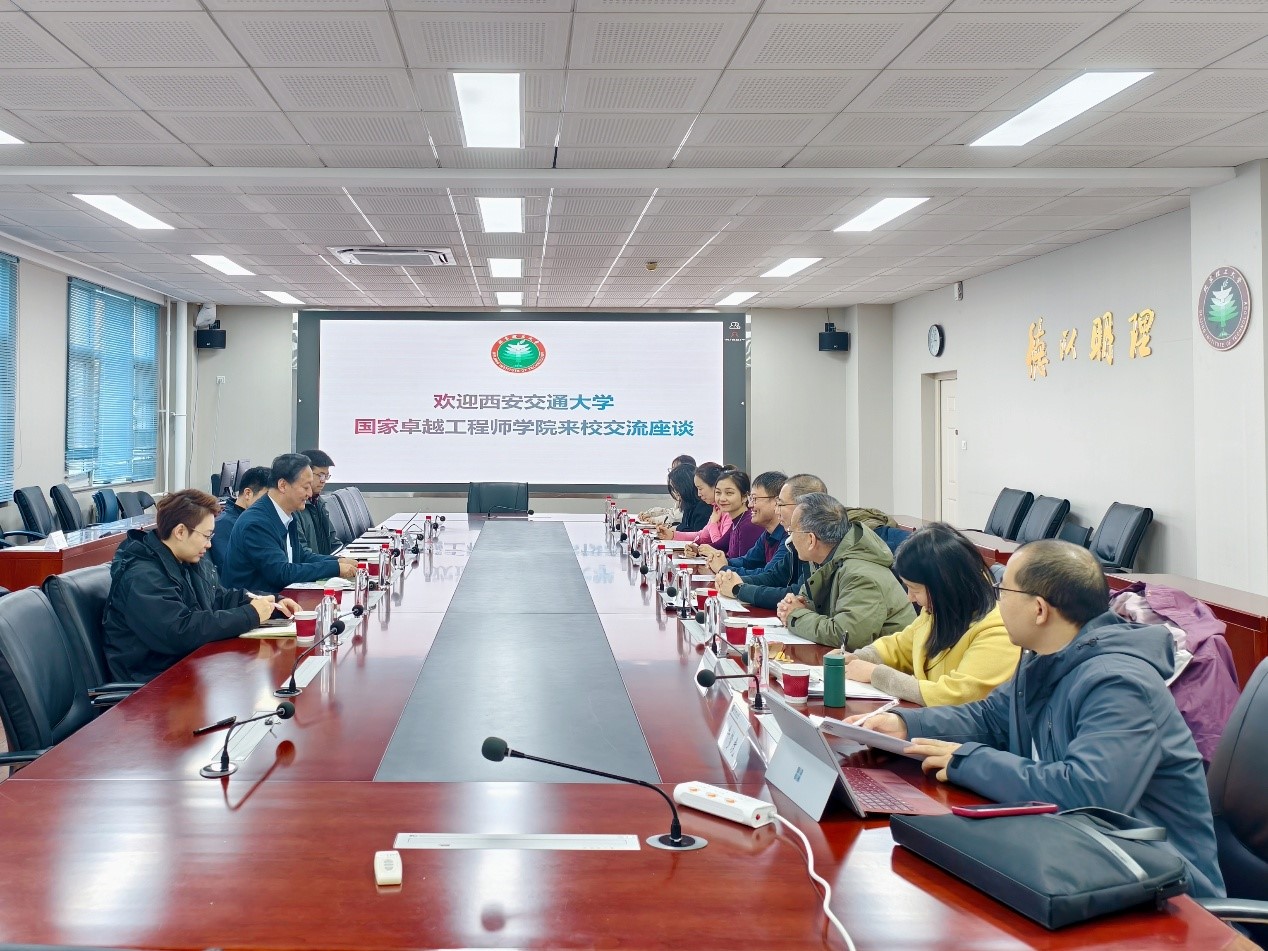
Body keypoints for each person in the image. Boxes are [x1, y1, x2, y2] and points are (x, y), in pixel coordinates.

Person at [858, 540, 1225, 899]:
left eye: (1003, 592)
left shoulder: (1119, 683)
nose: (996, 603)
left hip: (1161, 888)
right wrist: (908, 725)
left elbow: (1088, 792)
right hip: (1078, 858)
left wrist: (968, 761)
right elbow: (990, 718)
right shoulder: (1043, 658)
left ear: (1038, 610)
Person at [102, 489, 299, 682]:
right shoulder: (143, 576)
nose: (209, 544)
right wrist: (250, 615)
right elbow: (180, 631)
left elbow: (219, 598)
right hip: (153, 682)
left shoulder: (187, 561)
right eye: (206, 536)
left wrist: (272, 603)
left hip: (188, 668)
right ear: (180, 531)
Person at [842, 523, 1020, 705]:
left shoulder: (998, 631)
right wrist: (859, 657)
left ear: (944, 587)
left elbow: (957, 695)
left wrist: (876, 674)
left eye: (915, 589)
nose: (910, 598)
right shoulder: (939, 611)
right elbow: (901, 646)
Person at [775, 492, 915, 649]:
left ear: (811, 539)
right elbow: (818, 608)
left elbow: (847, 637)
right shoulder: (827, 559)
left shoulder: (860, 575)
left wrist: (796, 615)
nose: (790, 539)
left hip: (887, 662)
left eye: (791, 531)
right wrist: (798, 606)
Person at [223, 452, 358, 594]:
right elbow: (281, 573)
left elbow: (300, 557)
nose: (310, 494)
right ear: (283, 485)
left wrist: (338, 561)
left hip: (280, 598)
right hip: (257, 603)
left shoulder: (286, 514)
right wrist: (335, 568)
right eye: (305, 487)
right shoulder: (257, 523)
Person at [714, 473, 825, 609]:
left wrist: (738, 588)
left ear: (803, 507)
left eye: (781, 504)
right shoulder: (794, 538)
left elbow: (800, 594)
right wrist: (731, 579)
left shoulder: (820, 540)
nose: (777, 511)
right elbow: (774, 576)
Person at [702, 471, 786, 575]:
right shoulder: (767, 533)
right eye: (718, 492)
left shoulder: (788, 536)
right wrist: (722, 562)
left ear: (777, 502)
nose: (750, 505)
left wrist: (723, 568)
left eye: (755, 499)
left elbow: (769, 576)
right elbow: (747, 561)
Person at [208, 465, 272, 574]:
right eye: (268, 499)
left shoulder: (256, 521)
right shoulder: (224, 524)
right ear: (248, 493)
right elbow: (231, 569)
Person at [692, 469, 764, 561]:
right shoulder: (737, 521)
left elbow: (745, 563)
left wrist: (714, 553)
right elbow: (719, 546)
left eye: (729, 493)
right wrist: (696, 550)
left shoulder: (749, 524)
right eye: (718, 492)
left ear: (744, 497)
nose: (722, 498)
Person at [656, 462, 727, 543]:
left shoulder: (725, 511)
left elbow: (721, 545)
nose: (699, 494)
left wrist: (713, 523)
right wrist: (672, 535)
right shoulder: (716, 508)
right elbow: (702, 535)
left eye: (700, 489)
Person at [294, 448, 342, 556]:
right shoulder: (295, 506)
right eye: (320, 475)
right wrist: (333, 563)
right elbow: (303, 553)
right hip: (314, 565)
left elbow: (333, 542)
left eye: (326, 476)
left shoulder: (319, 502)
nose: (323, 480)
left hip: (323, 563)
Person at [638, 455, 699, 527]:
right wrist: (651, 513)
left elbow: (677, 518)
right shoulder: (681, 493)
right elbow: (673, 512)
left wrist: (654, 519)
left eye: (675, 469)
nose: (673, 473)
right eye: (672, 469)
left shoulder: (691, 495)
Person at [665, 461, 711, 533]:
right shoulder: (688, 505)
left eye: (676, 489)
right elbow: (685, 526)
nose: (677, 493)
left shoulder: (704, 507)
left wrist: (676, 530)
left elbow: (697, 534)